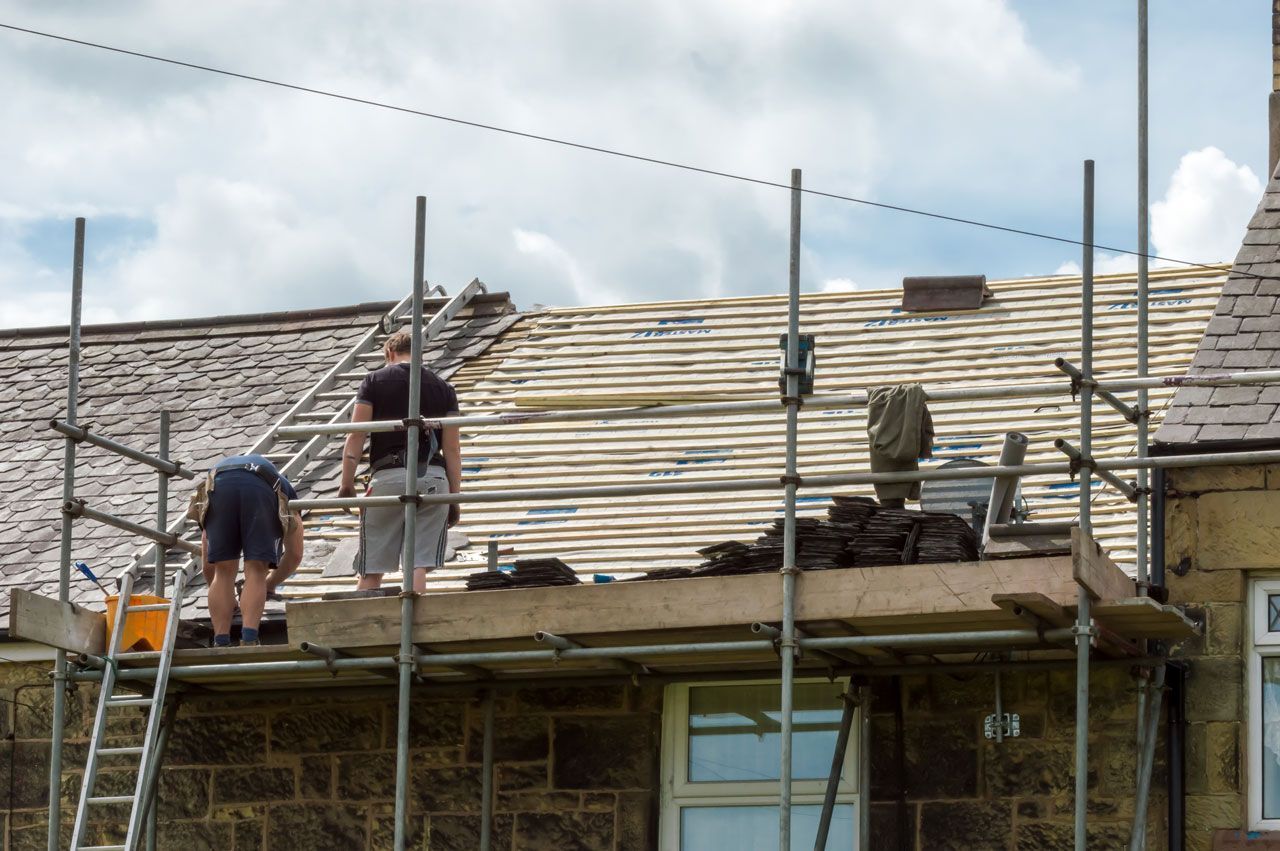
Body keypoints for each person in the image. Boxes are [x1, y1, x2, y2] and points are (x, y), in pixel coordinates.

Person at [338, 329, 462, 594]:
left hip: (388, 476)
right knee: (418, 562)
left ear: (389, 354)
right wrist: (454, 497)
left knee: (372, 564)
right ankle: (414, 622)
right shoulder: (444, 388)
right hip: (434, 479)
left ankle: (363, 625)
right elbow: (452, 449)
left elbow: (357, 434)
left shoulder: (374, 380)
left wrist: (346, 483)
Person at [200, 454, 304, 647]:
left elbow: (208, 562)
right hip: (260, 485)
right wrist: (269, 583)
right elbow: (296, 554)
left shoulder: (219, 481)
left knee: (222, 570)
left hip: (216, 483)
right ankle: (249, 639)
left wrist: (229, 601)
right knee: (256, 569)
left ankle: (221, 641)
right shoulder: (284, 489)